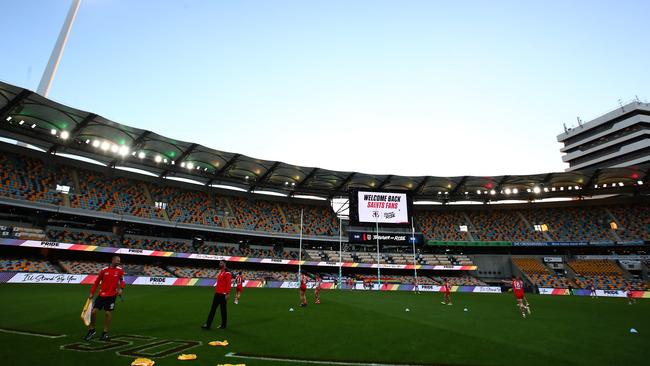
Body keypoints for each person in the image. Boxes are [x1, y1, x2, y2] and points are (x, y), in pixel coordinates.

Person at [85, 256, 125, 341]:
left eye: (119, 261)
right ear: (113, 260)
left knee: (107, 313)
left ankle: (105, 333)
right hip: (101, 295)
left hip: (112, 295)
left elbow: (122, 280)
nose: (118, 262)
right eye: (117, 260)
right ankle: (92, 330)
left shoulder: (120, 271)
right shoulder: (104, 270)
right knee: (93, 312)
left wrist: (121, 288)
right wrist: (92, 292)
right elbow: (96, 282)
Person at [202, 261, 232, 330]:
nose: (219, 264)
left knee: (221, 310)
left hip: (222, 294)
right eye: (219, 263)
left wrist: (227, 293)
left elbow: (229, 283)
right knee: (216, 309)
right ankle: (211, 325)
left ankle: (212, 325)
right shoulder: (221, 272)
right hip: (218, 293)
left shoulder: (227, 272)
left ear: (224, 264)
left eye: (221, 263)